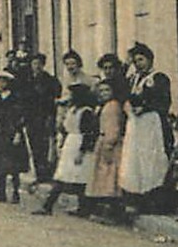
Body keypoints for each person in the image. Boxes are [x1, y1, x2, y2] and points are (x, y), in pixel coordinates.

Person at [119, 42, 174, 213]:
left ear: (150, 60)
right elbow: (120, 89)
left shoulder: (158, 78)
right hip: (136, 125)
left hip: (152, 124)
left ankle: (156, 201)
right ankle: (138, 198)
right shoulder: (133, 79)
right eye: (135, 61)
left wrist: (146, 107)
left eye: (141, 60)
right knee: (135, 160)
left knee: (153, 160)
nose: (138, 64)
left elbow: (164, 101)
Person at [35, 81, 100, 217]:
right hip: (70, 143)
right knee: (62, 175)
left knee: (79, 177)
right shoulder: (72, 110)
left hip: (79, 144)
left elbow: (89, 133)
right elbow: (65, 128)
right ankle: (49, 206)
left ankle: (80, 209)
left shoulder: (86, 112)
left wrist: (82, 152)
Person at [0, 69, 30, 203]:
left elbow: (20, 117)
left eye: (2, 81)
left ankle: (15, 193)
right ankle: (0, 193)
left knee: (13, 166)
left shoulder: (14, 99)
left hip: (10, 134)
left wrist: (18, 133)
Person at [87, 78, 127, 224]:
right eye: (101, 91)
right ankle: (109, 211)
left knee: (110, 178)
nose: (104, 93)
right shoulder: (106, 105)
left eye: (107, 90)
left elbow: (113, 128)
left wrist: (108, 146)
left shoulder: (112, 107)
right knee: (106, 179)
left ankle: (113, 213)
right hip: (104, 142)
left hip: (109, 145)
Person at [22, 54, 62, 186]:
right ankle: (39, 173)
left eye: (39, 63)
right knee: (34, 146)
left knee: (46, 146)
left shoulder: (50, 80)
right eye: (34, 64)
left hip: (45, 117)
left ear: (43, 65)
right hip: (31, 118)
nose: (37, 66)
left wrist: (51, 116)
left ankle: (47, 174)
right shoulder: (27, 81)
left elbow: (55, 98)